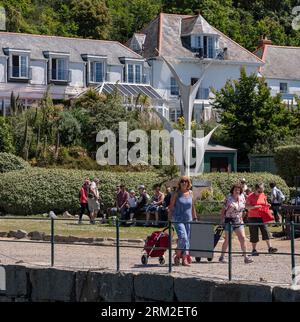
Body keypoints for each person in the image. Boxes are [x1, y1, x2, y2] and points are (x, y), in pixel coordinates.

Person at [219, 184, 253, 264]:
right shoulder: (228, 198)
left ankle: (246, 257)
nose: (237, 191)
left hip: (238, 220)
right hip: (229, 221)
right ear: (232, 190)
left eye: (238, 190)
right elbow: (223, 210)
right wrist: (222, 220)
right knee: (227, 240)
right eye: (235, 190)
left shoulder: (242, 197)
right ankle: (222, 257)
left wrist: (255, 207)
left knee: (243, 238)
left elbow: (244, 208)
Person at [168, 176, 197, 266]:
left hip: (188, 220)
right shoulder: (176, 194)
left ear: (188, 183)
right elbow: (171, 207)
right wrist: (169, 219)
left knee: (187, 240)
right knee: (183, 238)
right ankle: (177, 254)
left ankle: (183, 259)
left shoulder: (191, 193)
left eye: (186, 181)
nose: (184, 183)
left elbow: (192, 206)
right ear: (179, 183)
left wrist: (195, 217)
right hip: (178, 219)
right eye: (182, 181)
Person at [246, 183, 278, 256]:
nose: (260, 193)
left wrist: (268, 205)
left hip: (262, 216)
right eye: (259, 191)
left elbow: (265, 203)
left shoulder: (263, 195)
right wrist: (255, 207)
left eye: (262, 191)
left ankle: (270, 248)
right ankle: (254, 250)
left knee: (265, 231)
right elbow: (247, 207)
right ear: (255, 189)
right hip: (252, 217)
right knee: (254, 233)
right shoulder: (250, 196)